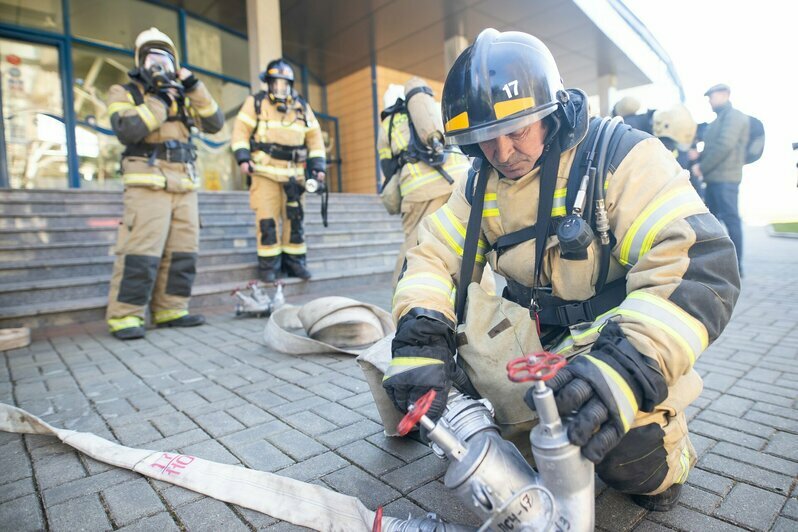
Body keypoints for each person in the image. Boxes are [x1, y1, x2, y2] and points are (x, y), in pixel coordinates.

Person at [381, 29, 740, 512]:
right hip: (535, 345)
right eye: (485, 139)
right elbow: (431, 256)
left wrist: (628, 367)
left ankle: (668, 458)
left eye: (516, 131)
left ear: (550, 112)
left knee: (633, 460)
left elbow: (699, 262)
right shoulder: (478, 183)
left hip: (620, 342)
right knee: (453, 398)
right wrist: (422, 330)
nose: (503, 154)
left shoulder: (619, 157)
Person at [105, 28, 224, 340]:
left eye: (165, 59)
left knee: (183, 252)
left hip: (184, 184)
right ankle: (125, 317)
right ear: (140, 61)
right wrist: (159, 98)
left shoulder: (185, 97)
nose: (159, 64)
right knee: (140, 252)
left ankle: (171, 309)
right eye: (152, 58)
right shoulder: (125, 92)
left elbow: (215, 123)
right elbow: (128, 130)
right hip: (147, 183)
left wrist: (192, 85)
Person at [231, 59, 326, 282]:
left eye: (285, 84)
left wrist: (318, 167)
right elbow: (240, 131)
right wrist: (243, 157)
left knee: (295, 221)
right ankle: (269, 267)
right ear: (269, 84)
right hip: (264, 171)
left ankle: (294, 263)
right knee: (267, 220)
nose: (280, 88)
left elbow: (315, 138)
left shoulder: (301, 106)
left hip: (294, 174)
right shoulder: (256, 103)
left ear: (290, 84)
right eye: (276, 83)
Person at [377, 77, 472, 285]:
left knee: (415, 253)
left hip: (420, 192)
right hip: (460, 182)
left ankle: (407, 310)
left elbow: (389, 168)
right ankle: (481, 307)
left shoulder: (388, 124)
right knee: (470, 247)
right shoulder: (436, 110)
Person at [691, 84, 749, 275]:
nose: (709, 101)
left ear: (725, 95)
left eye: (712, 97)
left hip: (726, 179)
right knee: (711, 222)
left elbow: (724, 146)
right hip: (715, 178)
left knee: (731, 220)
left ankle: (736, 267)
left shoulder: (734, 117)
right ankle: (714, 263)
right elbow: (712, 148)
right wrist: (698, 157)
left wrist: (701, 167)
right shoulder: (718, 120)